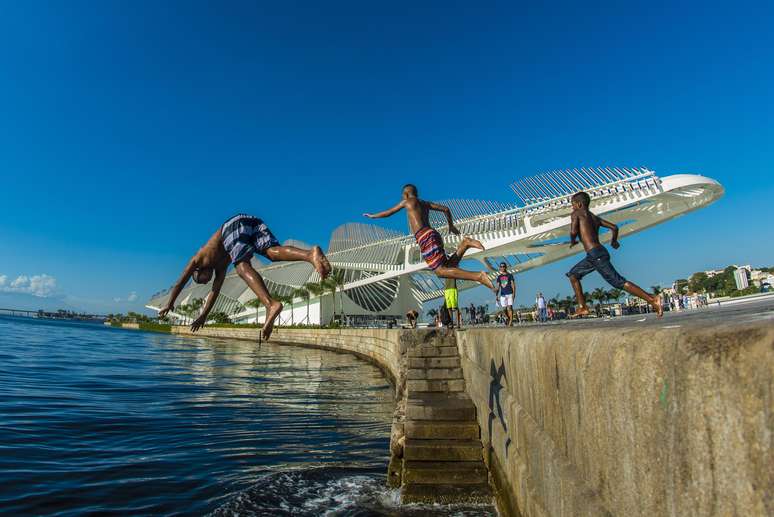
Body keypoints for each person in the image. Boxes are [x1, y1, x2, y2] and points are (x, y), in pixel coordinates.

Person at [158, 214, 331, 341]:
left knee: (241, 267)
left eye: (203, 279)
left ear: (198, 270)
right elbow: (214, 292)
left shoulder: (197, 259)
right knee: (271, 253)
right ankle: (310, 254)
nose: (207, 280)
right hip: (251, 221)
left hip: (232, 226)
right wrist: (203, 315)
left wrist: (169, 304)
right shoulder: (220, 266)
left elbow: (180, 282)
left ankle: (271, 304)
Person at [363, 184, 494, 289]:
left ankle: (478, 276)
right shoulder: (425, 203)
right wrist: (451, 226)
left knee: (440, 271)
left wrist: (373, 216)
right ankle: (464, 244)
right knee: (447, 266)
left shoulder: (407, 202)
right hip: (433, 233)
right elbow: (446, 209)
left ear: (406, 194)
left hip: (424, 236)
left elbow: (388, 212)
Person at [566, 192, 663, 317]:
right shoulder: (594, 217)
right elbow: (614, 227)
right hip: (595, 254)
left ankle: (652, 299)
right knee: (573, 275)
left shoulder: (576, 214)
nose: (572, 207)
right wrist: (614, 241)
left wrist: (573, 241)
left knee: (619, 282)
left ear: (578, 204)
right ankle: (582, 307)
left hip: (596, 255)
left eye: (573, 204)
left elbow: (573, 231)